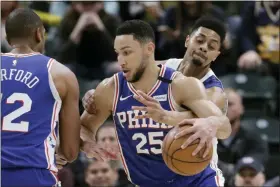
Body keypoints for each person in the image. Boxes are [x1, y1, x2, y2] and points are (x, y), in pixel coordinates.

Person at [78, 20, 231, 187]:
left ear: (216, 54)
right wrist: (95, 94)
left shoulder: (212, 91)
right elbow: (143, 66)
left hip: (194, 173)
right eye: (200, 40)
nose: (203, 47)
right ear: (187, 40)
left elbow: (221, 124)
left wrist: (168, 116)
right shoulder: (161, 68)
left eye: (212, 46)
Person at [1, 8, 81, 187]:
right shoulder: (61, 74)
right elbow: (69, 152)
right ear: (39, 34)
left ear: (8, 40)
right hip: (34, 174)